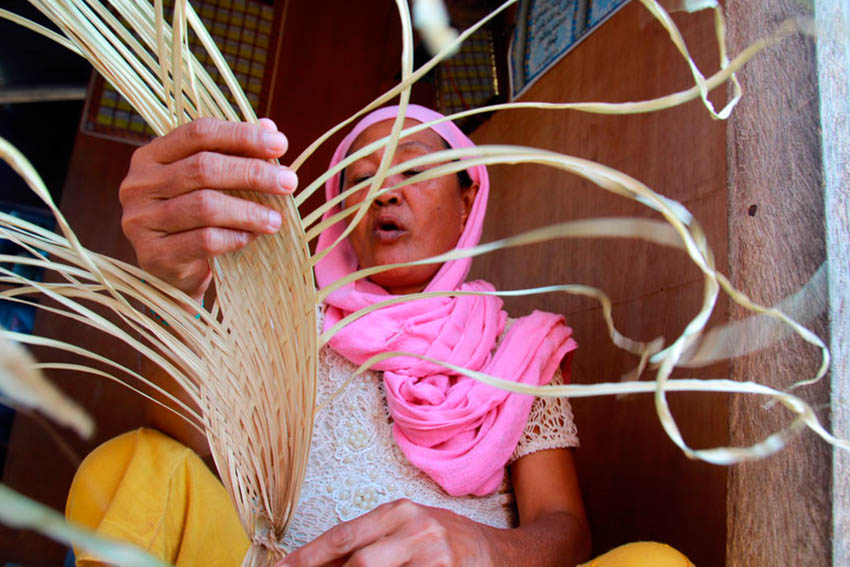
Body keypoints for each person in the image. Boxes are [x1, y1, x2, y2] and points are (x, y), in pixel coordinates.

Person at [65, 105, 694, 567]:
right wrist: (178, 289)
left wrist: (479, 547)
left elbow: (564, 529)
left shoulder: (518, 351)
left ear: (468, 194)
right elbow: (185, 434)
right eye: (360, 179)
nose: (383, 192)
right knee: (135, 464)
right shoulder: (291, 323)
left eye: (413, 169)